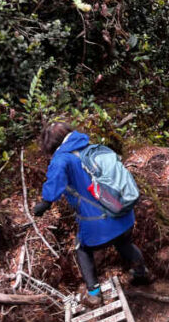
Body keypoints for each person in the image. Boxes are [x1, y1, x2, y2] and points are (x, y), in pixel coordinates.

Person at [32, 122, 149, 308]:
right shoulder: (90, 148)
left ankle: (94, 293)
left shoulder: (62, 159)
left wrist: (45, 203)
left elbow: (54, 183)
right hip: (123, 212)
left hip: (99, 225)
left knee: (82, 249)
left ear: (50, 143)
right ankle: (142, 273)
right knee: (124, 242)